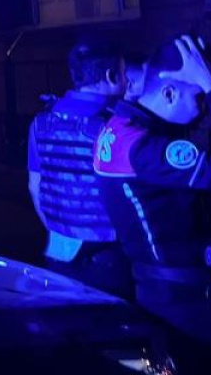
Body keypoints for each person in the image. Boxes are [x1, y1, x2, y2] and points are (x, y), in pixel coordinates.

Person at [93, 35, 211, 373]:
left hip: (167, 292)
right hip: (190, 302)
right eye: (199, 97)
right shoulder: (147, 148)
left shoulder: (122, 129)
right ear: (169, 94)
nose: (204, 109)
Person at [27, 39, 132, 299]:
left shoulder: (41, 123)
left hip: (58, 250)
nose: (128, 80)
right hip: (109, 256)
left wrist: (61, 229)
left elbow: (35, 186)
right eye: (124, 73)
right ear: (110, 76)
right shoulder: (116, 125)